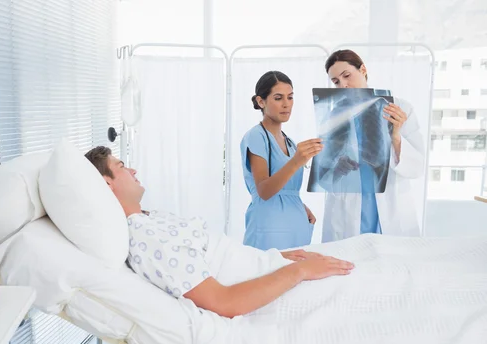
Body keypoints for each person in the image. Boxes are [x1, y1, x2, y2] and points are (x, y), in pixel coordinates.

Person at [85, 146, 354, 318]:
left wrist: (278, 258)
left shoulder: (149, 218)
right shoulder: (146, 238)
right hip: (278, 286)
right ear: (107, 183)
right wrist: (300, 271)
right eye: (121, 166)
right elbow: (224, 302)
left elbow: (219, 258)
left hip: (270, 267)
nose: (132, 170)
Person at [321, 49, 425, 242]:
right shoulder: (333, 117)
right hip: (349, 209)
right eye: (336, 82)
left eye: (347, 75)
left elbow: (417, 166)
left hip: (390, 203)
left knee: (393, 263)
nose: (343, 84)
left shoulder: (399, 108)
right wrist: (338, 168)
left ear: (363, 70)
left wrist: (396, 136)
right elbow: (324, 175)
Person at [240, 71, 323, 251]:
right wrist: (296, 161)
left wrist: (300, 206)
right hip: (270, 232)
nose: (286, 104)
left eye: (290, 97)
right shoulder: (257, 136)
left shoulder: (290, 143)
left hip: (296, 230)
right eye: (278, 98)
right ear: (261, 101)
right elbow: (264, 190)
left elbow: (286, 189)